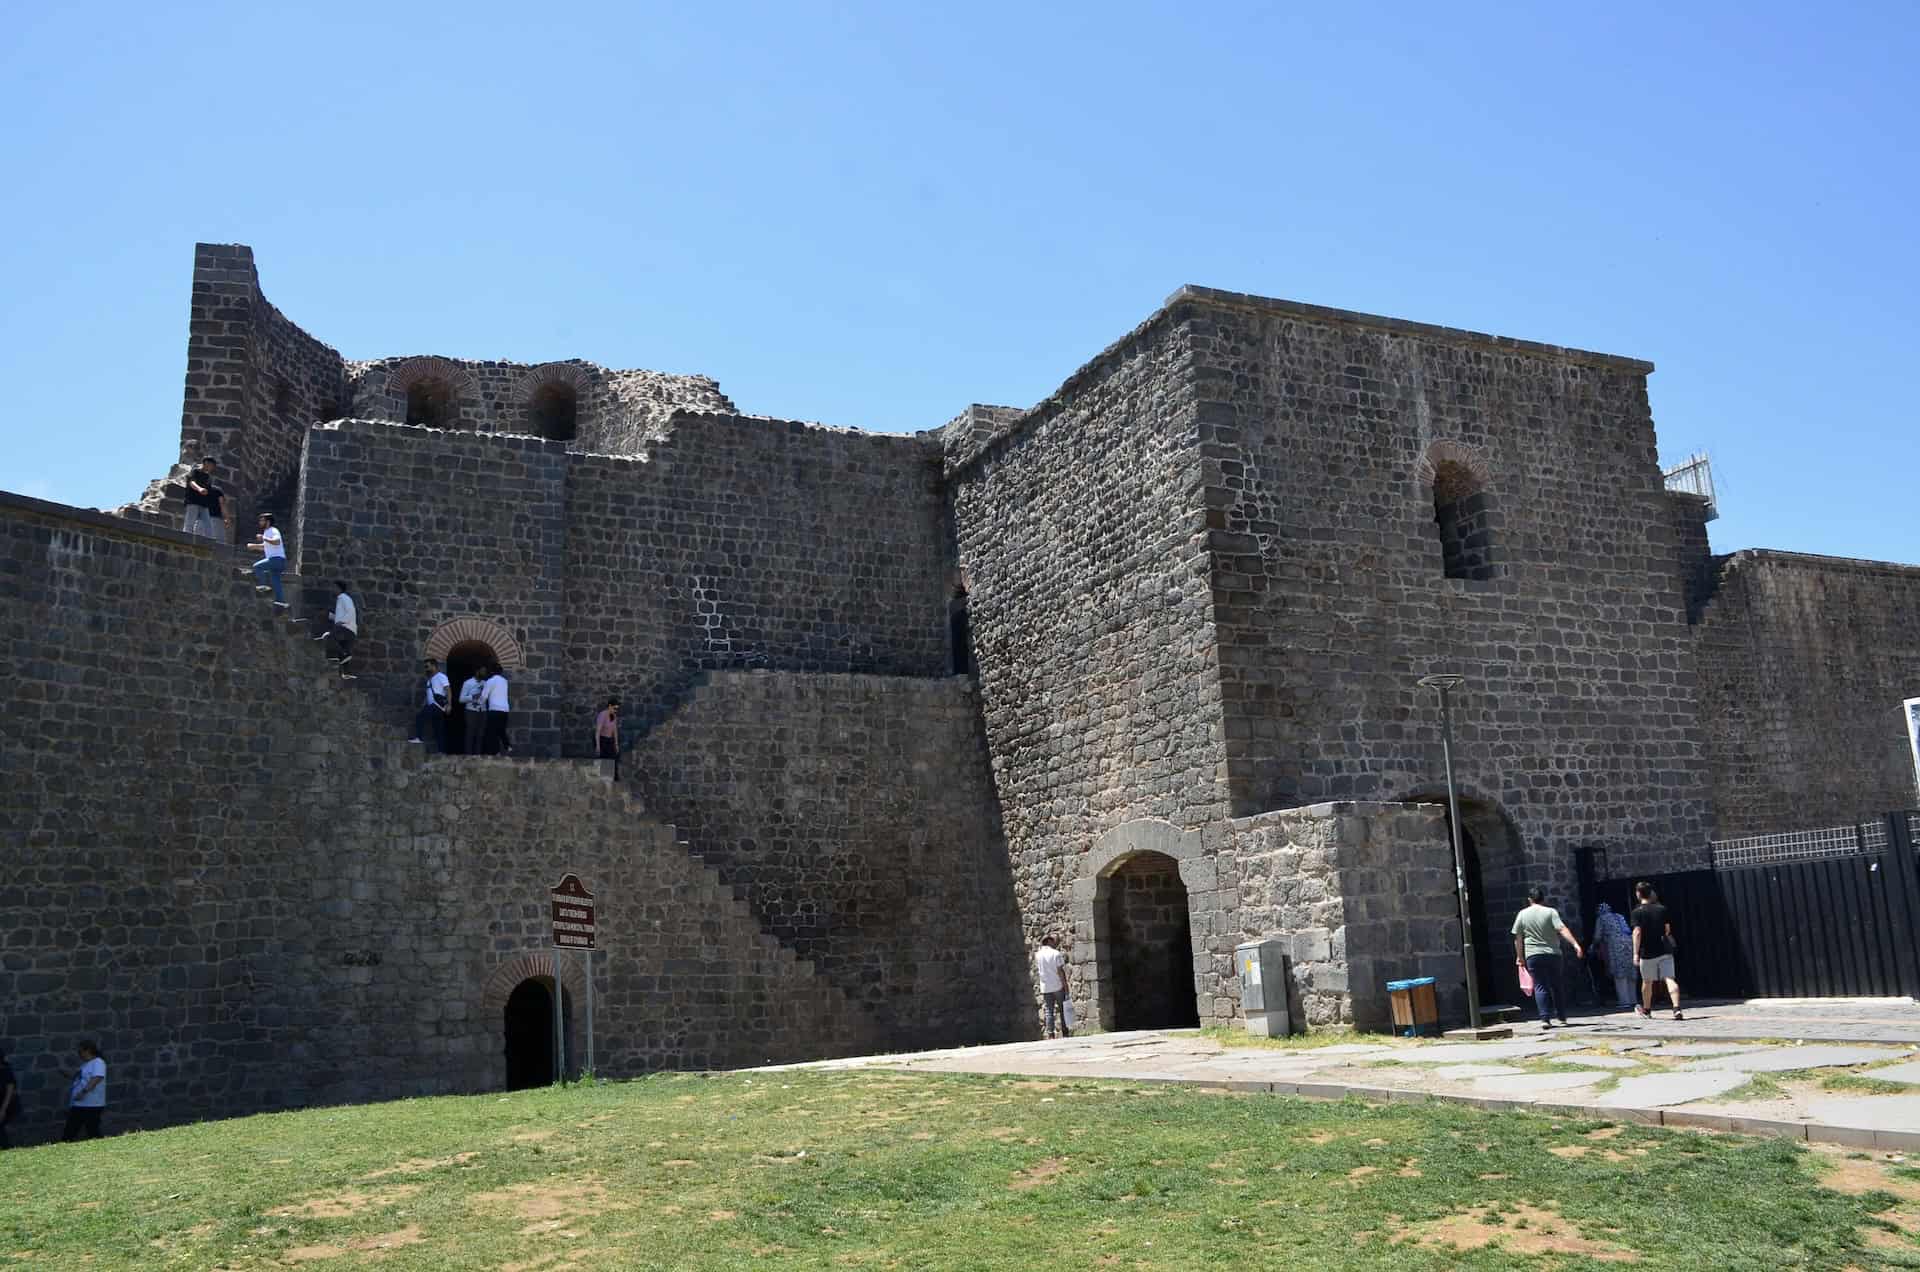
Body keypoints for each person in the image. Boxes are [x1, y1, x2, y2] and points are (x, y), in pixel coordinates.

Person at [1511, 886, 1584, 1029]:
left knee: (1540, 986)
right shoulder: (1551, 912)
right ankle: (1562, 1017)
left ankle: (1545, 1019)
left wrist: (1520, 957)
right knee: (1556, 986)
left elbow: (1518, 938)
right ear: (1543, 899)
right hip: (1553, 954)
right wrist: (1575, 944)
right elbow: (1562, 929)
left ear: (1529, 900)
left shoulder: (1522, 914)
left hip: (1533, 954)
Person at [1631, 881, 1684, 1020]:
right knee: (1669, 978)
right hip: (1664, 949)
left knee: (1647, 981)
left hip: (1647, 951)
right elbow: (1667, 930)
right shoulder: (1662, 909)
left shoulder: (1637, 912)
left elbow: (1637, 932)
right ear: (1651, 893)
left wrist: (1635, 953)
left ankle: (1647, 1010)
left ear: (1638, 894)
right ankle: (1676, 1009)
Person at [1593, 901, 1638, 1009]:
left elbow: (1598, 936)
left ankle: (1624, 1001)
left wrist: (1593, 945)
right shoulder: (1620, 916)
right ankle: (1633, 999)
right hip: (1629, 942)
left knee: (1619, 972)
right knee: (1630, 971)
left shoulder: (1601, 919)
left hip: (1615, 944)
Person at [62, 1040, 105, 1142]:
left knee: (92, 1130)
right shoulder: (85, 1065)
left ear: (88, 1050)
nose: (79, 1053)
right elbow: (76, 1077)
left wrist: (83, 1092)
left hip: (91, 1104)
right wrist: (64, 1073)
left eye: (80, 1051)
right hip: (80, 1104)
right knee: (73, 1129)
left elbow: (97, 1078)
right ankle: (66, 1144)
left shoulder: (98, 1062)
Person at [312, 580, 357, 672]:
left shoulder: (343, 598)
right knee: (344, 658)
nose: (332, 589)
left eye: (334, 587)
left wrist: (342, 622)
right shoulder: (342, 599)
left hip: (345, 628)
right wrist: (330, 615)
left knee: (328, 637)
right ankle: (346, 673)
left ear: (339, 588)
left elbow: (351, 611)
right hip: (348, 629)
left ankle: (344, 654)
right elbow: (341, 616)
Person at [245, 513, 288, 607]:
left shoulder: (272, 530)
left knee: (257, 567)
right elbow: (266, 547)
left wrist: (263, 537)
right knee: (276, 582)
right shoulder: (267, 532)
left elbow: (277, 542)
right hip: (279, 561)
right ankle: (280, 603)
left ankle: (263, 589)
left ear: (268, 522)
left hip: (276, 559)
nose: (260, 522)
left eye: (262, 520)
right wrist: (254, 546)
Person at [1035, 934, 1070, 1038]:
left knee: (1049, 1011)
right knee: (1062, 1009)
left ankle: (1051, 1034)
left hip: (1045, 987)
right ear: (1049, 941)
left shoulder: (1038, 955)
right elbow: (1060, 971)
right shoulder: (1056, 953)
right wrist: (1065, 985)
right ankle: (1065, 1031)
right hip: (1057, 985)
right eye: (1053, 941)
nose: (1055, 943)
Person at [410, 658, 450, 750]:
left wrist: (449, 704)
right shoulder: (430, 680)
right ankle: (441, 751)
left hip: (436, 706)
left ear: (434, 666)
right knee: (438, 730)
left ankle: (419, 737)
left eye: (427, 666)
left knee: (420, 717)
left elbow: (448, 690)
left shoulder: (441, 677)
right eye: (425, 667)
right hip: (433, 706)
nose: (426, 668)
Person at [181, 457, 225, 541]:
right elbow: (191, 482)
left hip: (204, 504)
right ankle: (186, 540)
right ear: (206, 463)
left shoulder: (208, 477)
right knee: (190, 522)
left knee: (207, 524)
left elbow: (208, 491)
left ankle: (210, 541)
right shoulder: (195, 472)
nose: (212, 468)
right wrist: (199, 489)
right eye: (211, 465)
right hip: (193, 501)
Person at [481, 665, 512, 755]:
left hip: (494, 709)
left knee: (492, 732)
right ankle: (508, 746)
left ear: (491, 672)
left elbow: (484, 696)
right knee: (501, 730)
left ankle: (495, 752)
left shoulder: (490, 681)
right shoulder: (505, 681)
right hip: (505, 709)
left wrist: (478, 703)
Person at [459, 668, 488, 755]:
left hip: (483, 711)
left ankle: (477, 755)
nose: (484, 673)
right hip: (471, 711)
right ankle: (468, 755)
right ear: (477, 671)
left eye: (485, 671)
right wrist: (473, 696)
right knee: (470, 733)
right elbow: (461, 699)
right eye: (482, 671)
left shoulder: (485, 683)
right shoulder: (468, 683)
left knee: (480, 734)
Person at [594, 697, 620, 775]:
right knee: (605, 760)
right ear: (609, 706)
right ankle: (605, 780)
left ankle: (613, 780)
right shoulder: (603, 715)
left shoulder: (614, 716)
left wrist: (616, 744)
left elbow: (615, 731)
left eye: (617, 709)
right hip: (602, 740)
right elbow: (598, 731)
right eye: (615, 708)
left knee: (614, 759)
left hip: (609, 740)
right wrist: (598, 746)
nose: (616, 710)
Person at [0, 1047, 18, 1150]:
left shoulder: (6, 1071)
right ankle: (6, 1147)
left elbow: (9, 1092)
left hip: (7, 1105)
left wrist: (3, 1110)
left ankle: (7, 1147)